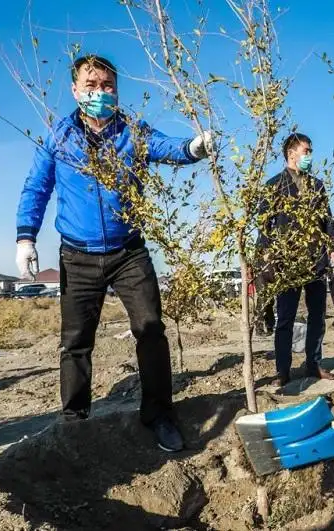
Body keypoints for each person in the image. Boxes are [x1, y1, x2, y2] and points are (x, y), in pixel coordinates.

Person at [15, 55, 215, 452]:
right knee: (75, 342)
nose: (100, 93)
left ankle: (158, 414)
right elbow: (36, 188)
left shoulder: (131, 132)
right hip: (77, 255)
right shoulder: (58, 137)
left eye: (107, 86)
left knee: (151, 330)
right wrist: (26, 237)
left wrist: (194, 147)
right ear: (75, 90)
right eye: (91, 86)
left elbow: (165, 147)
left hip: (129, 253)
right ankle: (74, 420)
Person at [259, 132, 334, 387]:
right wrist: (267, 255)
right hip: (287, 263)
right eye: (306, 151)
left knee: (317, 315)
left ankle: (313, 364)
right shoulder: (274, 185)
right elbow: (264, 226)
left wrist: (332, 249)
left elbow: (326, 221)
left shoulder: (317, 186)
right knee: (285, 319)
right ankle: (283, 370)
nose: (309, 156)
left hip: (315, 260)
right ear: (291, 153)